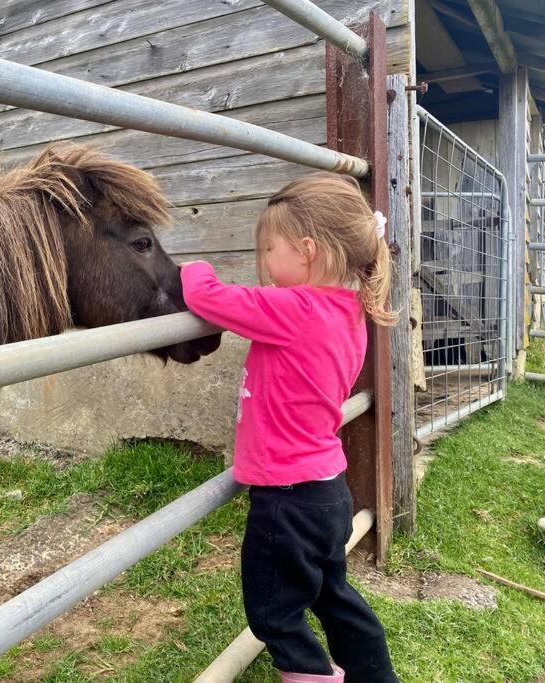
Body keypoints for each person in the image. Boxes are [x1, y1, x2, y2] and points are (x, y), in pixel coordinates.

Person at [180, 173, 399, 683]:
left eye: (267, 249)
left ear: (307, 251)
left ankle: (313, 676)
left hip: (287, 497)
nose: (262, 264)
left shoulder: (296, 309)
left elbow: (209, 298)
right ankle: (374, 673)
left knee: (273, 611)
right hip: (328, 493)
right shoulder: (350, 312)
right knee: (330, 592)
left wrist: (192, 265)